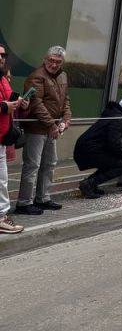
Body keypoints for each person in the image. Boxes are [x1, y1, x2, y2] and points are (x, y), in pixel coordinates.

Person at [16, 46, 72, 216]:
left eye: (58, 62)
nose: (54, 64)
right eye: (51, 60)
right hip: (36, 128)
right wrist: (52, 125)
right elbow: (37, 105)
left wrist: (66, 118)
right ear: (44, 59)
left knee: (49, 163)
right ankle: (24, 202)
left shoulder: (63, 75)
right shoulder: (37, 76)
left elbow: (66, 100)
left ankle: (43, 198)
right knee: (32, 165)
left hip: (52, 128)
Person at [73, 97, 122, 198]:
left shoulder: (114, 115)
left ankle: (90, 183)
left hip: (88, 148)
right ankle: (89, 184)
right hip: (91, 150)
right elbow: (114, 142)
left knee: (112, 163)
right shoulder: (119, 119)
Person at [0, 44, 27, 233]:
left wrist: (20, 102)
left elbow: (9, 96)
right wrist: (4, 107)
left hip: (2, 137)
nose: (1, 58)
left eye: (4, 55)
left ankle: (1, 216)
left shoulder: (2, 78)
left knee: (2, 179)